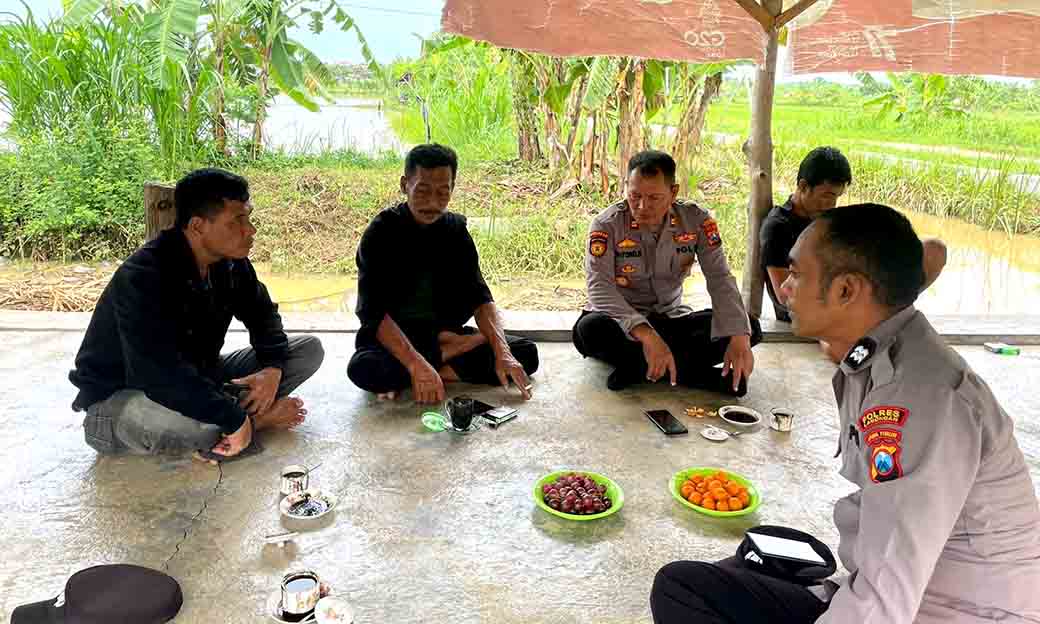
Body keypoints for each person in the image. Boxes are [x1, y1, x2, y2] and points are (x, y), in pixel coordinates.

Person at [651, 204, 1040, 624]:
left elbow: (888, 593)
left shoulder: (914, 400)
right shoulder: (882, 354)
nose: (784, 289)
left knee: (685, 592)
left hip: (952, 611)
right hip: (914, 587)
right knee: (746, 559)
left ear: (847, 291)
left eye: (797, 274)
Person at [69, 169, 324, 459]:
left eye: (248, 217)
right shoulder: (144, 276)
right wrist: (233, 416)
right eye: (238, 220)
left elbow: (263, 315)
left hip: (198, 375)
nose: (250, 230)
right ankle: (249, 424)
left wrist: (271, 369)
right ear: (198, 225)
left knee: (307, 350)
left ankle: (229, 424)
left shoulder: (230, 265)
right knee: (193, 426)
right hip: (124, 400)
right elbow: (156, 375)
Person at [346, 143, 538, 404]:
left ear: (452, 189)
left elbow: (479, 296)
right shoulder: (380, 233)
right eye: (422, 191)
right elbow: (373, 313)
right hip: (396, 340)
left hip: (446, 330)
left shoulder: (456, 231)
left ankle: (434, 362)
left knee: (525, 354)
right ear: (404, 185)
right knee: (364, 369)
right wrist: (416, 365)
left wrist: (503, 352)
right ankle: (453, 350)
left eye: (442, 192)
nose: (433, 203)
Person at [572, 150, 761, 395]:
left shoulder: (697, 221)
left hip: (671, 321)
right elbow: (599, 289)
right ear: (626, 187)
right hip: (623, 326)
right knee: (589, 330)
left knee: (749, 327)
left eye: (654, 198)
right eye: (635, 195)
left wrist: (739, 336)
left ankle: (638, 369)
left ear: (673, 192)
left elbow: (720, 277)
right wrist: (647, 336)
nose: (642, 206)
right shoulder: (606, 224)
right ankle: (694, 376)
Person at [761, 146, 947, 322]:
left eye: (836, 197)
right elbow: (785, 296)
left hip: (847, 298)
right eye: (826, 195)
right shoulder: (778, 226)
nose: (831, 204)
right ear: (803, 186)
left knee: (934, 250)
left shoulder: (826, 220)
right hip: (813, 312)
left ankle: (892, 312)